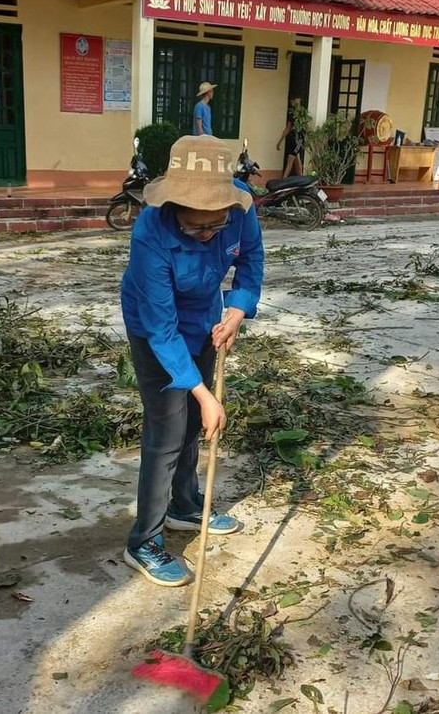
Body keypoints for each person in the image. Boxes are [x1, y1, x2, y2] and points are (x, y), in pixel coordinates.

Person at [120, 134, 264, 586]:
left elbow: (251, 261)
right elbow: (161, 329)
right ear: (173, 209)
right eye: (195, 227)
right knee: (168, 430)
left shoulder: (241, 211)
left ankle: (184, 505)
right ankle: (143, 541)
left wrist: (237, 310)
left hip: (206, 317)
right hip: (154, 327)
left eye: (214, 227)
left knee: (191, 429)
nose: (206, 236)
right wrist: (203, 395)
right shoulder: (150, 232)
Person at [276, 97, 308, 177]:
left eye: (294, 99)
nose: (292, 101)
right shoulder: (292, 113)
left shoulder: (302, 113)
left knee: (290, 159)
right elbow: (288, 128)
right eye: (292, 100)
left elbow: (305, 127)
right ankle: (301, 179)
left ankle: (283, 180)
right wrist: (280, 141)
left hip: (299, 140)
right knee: (296, 161)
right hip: (293, 139)